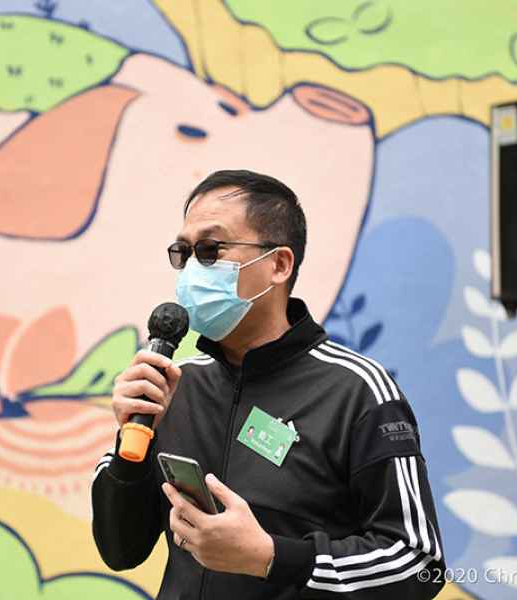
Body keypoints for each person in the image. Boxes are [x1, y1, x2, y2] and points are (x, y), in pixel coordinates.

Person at [92, 170, 446, 599]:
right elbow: (120, 550)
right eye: (183, 253)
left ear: (279, 264)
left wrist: (271, 558)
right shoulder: (175, 385)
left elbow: (418, 565)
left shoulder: (357, 392)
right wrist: (129, 451)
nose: (192, 269)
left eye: (210, 250)